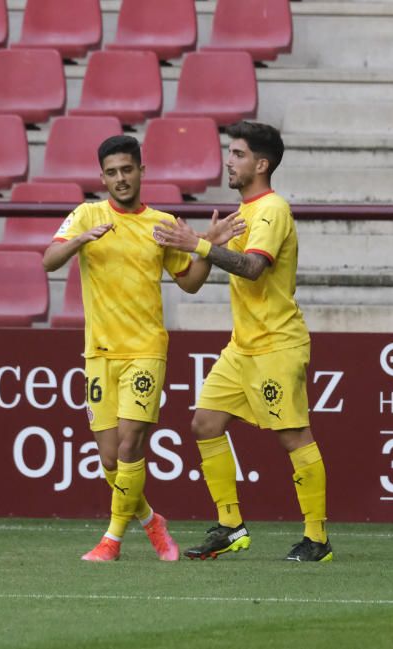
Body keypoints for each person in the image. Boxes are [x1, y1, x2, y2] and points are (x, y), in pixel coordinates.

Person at [43, 135, 239, 561]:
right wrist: (79, 241)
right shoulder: (85, 215)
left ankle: (111, 541)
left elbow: (189, 282)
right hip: (99, 352)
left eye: (127, 170)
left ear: (141, 171)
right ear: (102, 177)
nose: (120, 179)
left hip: (146, 350)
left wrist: (209, 244)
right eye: (111, 172)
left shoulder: (161, 224)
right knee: (111, 460)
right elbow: (48, 260)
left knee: (131, 446)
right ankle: (151, 520)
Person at [153, 121, 331, 563]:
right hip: (243, 345)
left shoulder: (272, 210)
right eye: (229, 153)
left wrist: (199, 244)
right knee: (204, 424)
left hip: (276, 342)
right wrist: (207, 245)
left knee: (294, 436)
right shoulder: (244, 213)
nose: (228, 161)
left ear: (261, 163)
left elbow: (253, 268)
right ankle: (231, 527)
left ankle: (317, 539)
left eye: (237, 154)